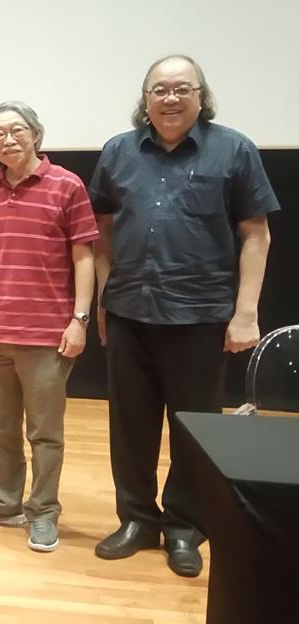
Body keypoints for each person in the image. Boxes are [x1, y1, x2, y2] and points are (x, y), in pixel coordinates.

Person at [89, 55, 278, 577]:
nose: (170, 98)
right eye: (159, 89)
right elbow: (102, 229)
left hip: (200, 314)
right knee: (129, 425)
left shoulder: (234, 149)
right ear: (144, 99)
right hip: (129, 310)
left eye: (181, 88)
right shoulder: (117, 152)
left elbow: (256, 235)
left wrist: (245, 314)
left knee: (193, 427)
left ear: (201, 95)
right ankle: (136, 519)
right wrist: (107, 296)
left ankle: (184, 526)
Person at [0, 102, 98, 552]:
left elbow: (84, 256)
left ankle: (43, 511)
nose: (8, 139)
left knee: (45, 432)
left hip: (46, 337)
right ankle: (2, 501)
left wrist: (80, 320)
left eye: (16, 130)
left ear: (36, 134)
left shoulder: (67, 185)